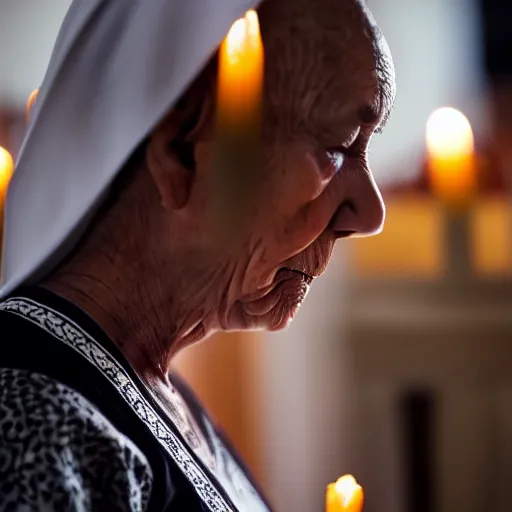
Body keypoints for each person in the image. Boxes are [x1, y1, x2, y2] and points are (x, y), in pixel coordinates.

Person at [0, 0, 395, 510]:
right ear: (183, 149)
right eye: (341, 145)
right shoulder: (33, 420)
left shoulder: (150, 390)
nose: (370, 214)